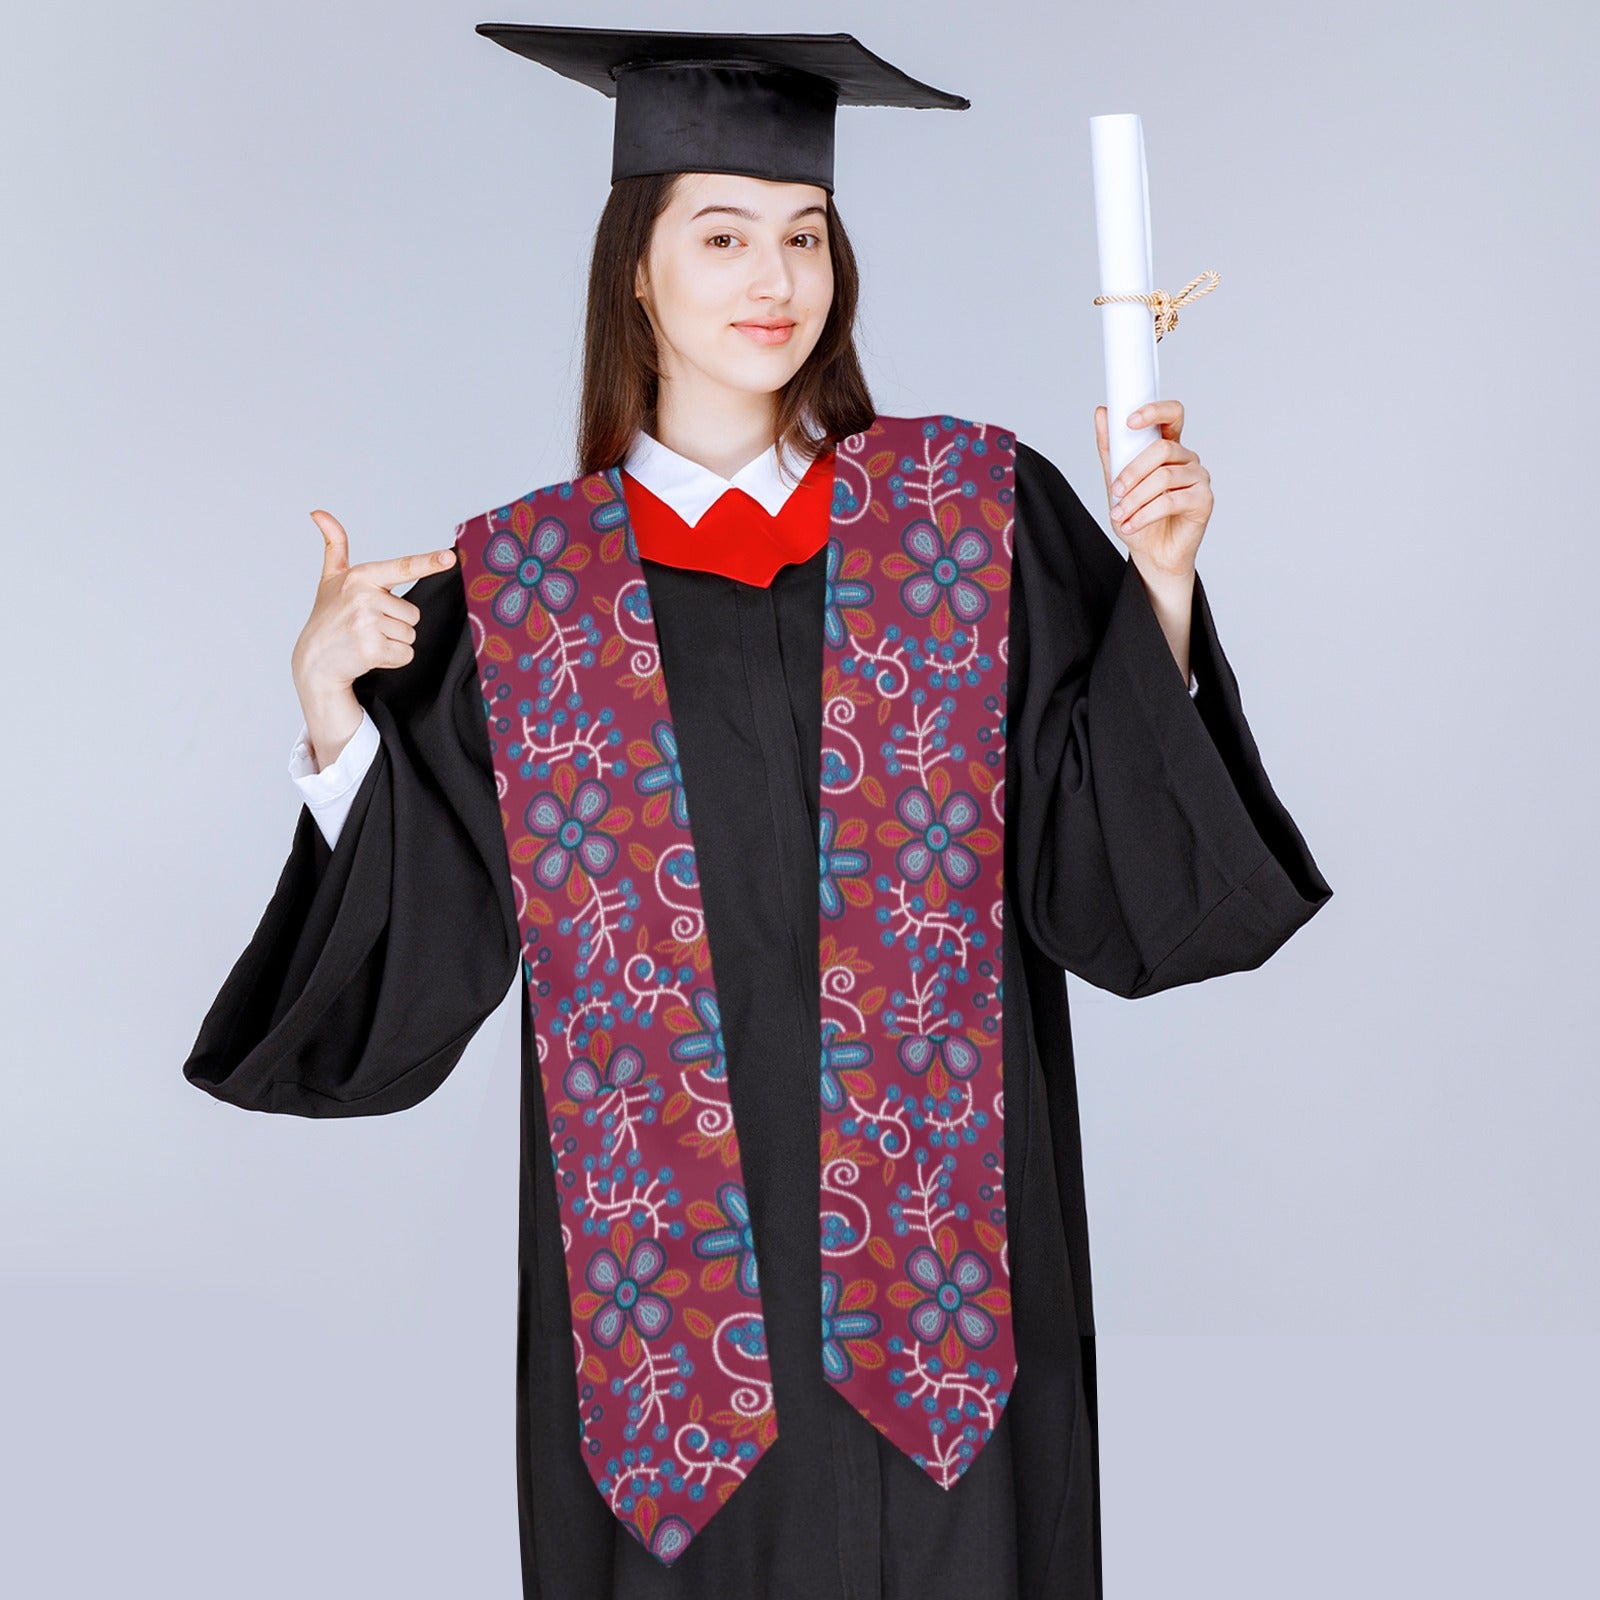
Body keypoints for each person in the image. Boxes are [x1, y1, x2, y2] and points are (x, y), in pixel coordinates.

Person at [183, 23, 1333, 1599]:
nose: (772, 276)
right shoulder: (530, 590)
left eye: (804, 235)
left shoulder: (968, 514)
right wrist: (331, 713)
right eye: (719, 236)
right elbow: (424, 945)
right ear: (635, 273)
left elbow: (1108, 871)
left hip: (949, 1316)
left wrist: (1165, 592)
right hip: (669, 1356)